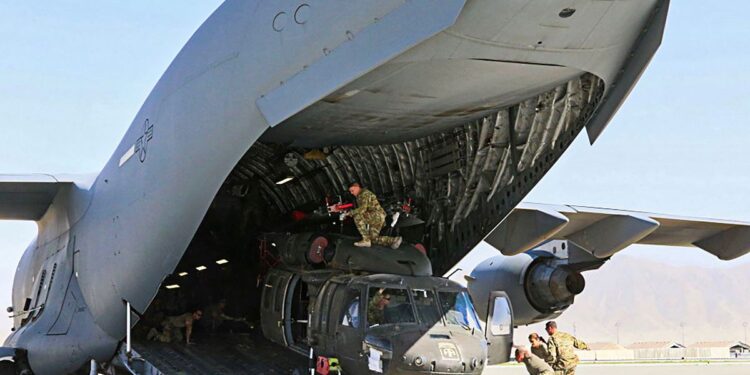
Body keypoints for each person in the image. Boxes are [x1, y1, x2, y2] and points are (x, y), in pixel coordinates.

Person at [333, 182, 402, 248]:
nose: (351, 193)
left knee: (357, 217)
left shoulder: (364, 194)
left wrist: (348, 213)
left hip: (376, 215)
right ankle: (394, 240)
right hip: (378, 217)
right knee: (373, 239)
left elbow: (362, 210)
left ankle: (366, 240)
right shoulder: (361, 195)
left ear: (357, 187)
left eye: (352, 190)